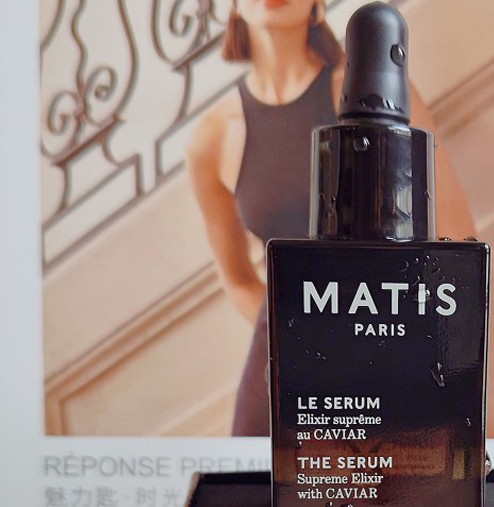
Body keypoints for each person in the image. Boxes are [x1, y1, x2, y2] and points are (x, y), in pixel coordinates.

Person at [186, 0, 476, 436]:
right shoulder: (211, 137)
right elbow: (239, 281)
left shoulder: (379, 92)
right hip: (282, 368)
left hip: (384, 347)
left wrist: (388, 342)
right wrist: (301, 339)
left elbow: (456, 240)